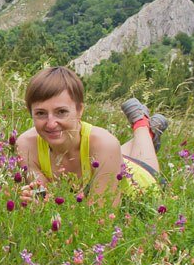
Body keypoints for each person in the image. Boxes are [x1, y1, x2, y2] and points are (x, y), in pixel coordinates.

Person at [16, 66, 168, 204]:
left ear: (80, 110)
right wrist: (38, 204)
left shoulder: (105, 143)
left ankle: (142, 126)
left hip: (138, 181)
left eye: (61, 112)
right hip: (108, 159)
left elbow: (100, 218)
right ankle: (149, 130)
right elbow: (46, 198)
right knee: (110, 152)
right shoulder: (26, 145)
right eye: (40, 113)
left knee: (133, 156)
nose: (50, 123)